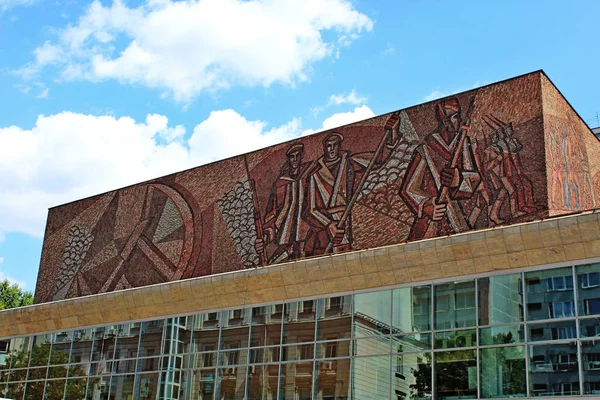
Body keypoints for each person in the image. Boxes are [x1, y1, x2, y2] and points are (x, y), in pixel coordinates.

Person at [304, 114, 399, 255]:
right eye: (328, 146)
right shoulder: (314, 174)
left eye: (334, 145)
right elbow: (309, 211)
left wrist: (393, 133)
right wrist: (329, 224)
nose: (331, 149)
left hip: (345, 219)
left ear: (339, 146)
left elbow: (377, 160)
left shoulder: (348, 163)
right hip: (325, 226)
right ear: (324, 148)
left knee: (345, 253)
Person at [400, 97, 481, 240]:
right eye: (456, 116)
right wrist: (426, 205)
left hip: (456, 217)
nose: (460, 120)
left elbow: (475, 178)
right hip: (433, 218)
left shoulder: (463, 144)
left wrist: (459, 179)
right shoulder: (426, 149)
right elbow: (408, 189)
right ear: (446, 121)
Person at [255, 143, 312, 263]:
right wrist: (264, 237)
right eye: (292, 156)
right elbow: (272, 214)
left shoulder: (310, 175)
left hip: (307, 236)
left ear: (302, 156)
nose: (295, 160)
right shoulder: (280, 183)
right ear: (288, 159)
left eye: (297, 156)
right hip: (285, 238)